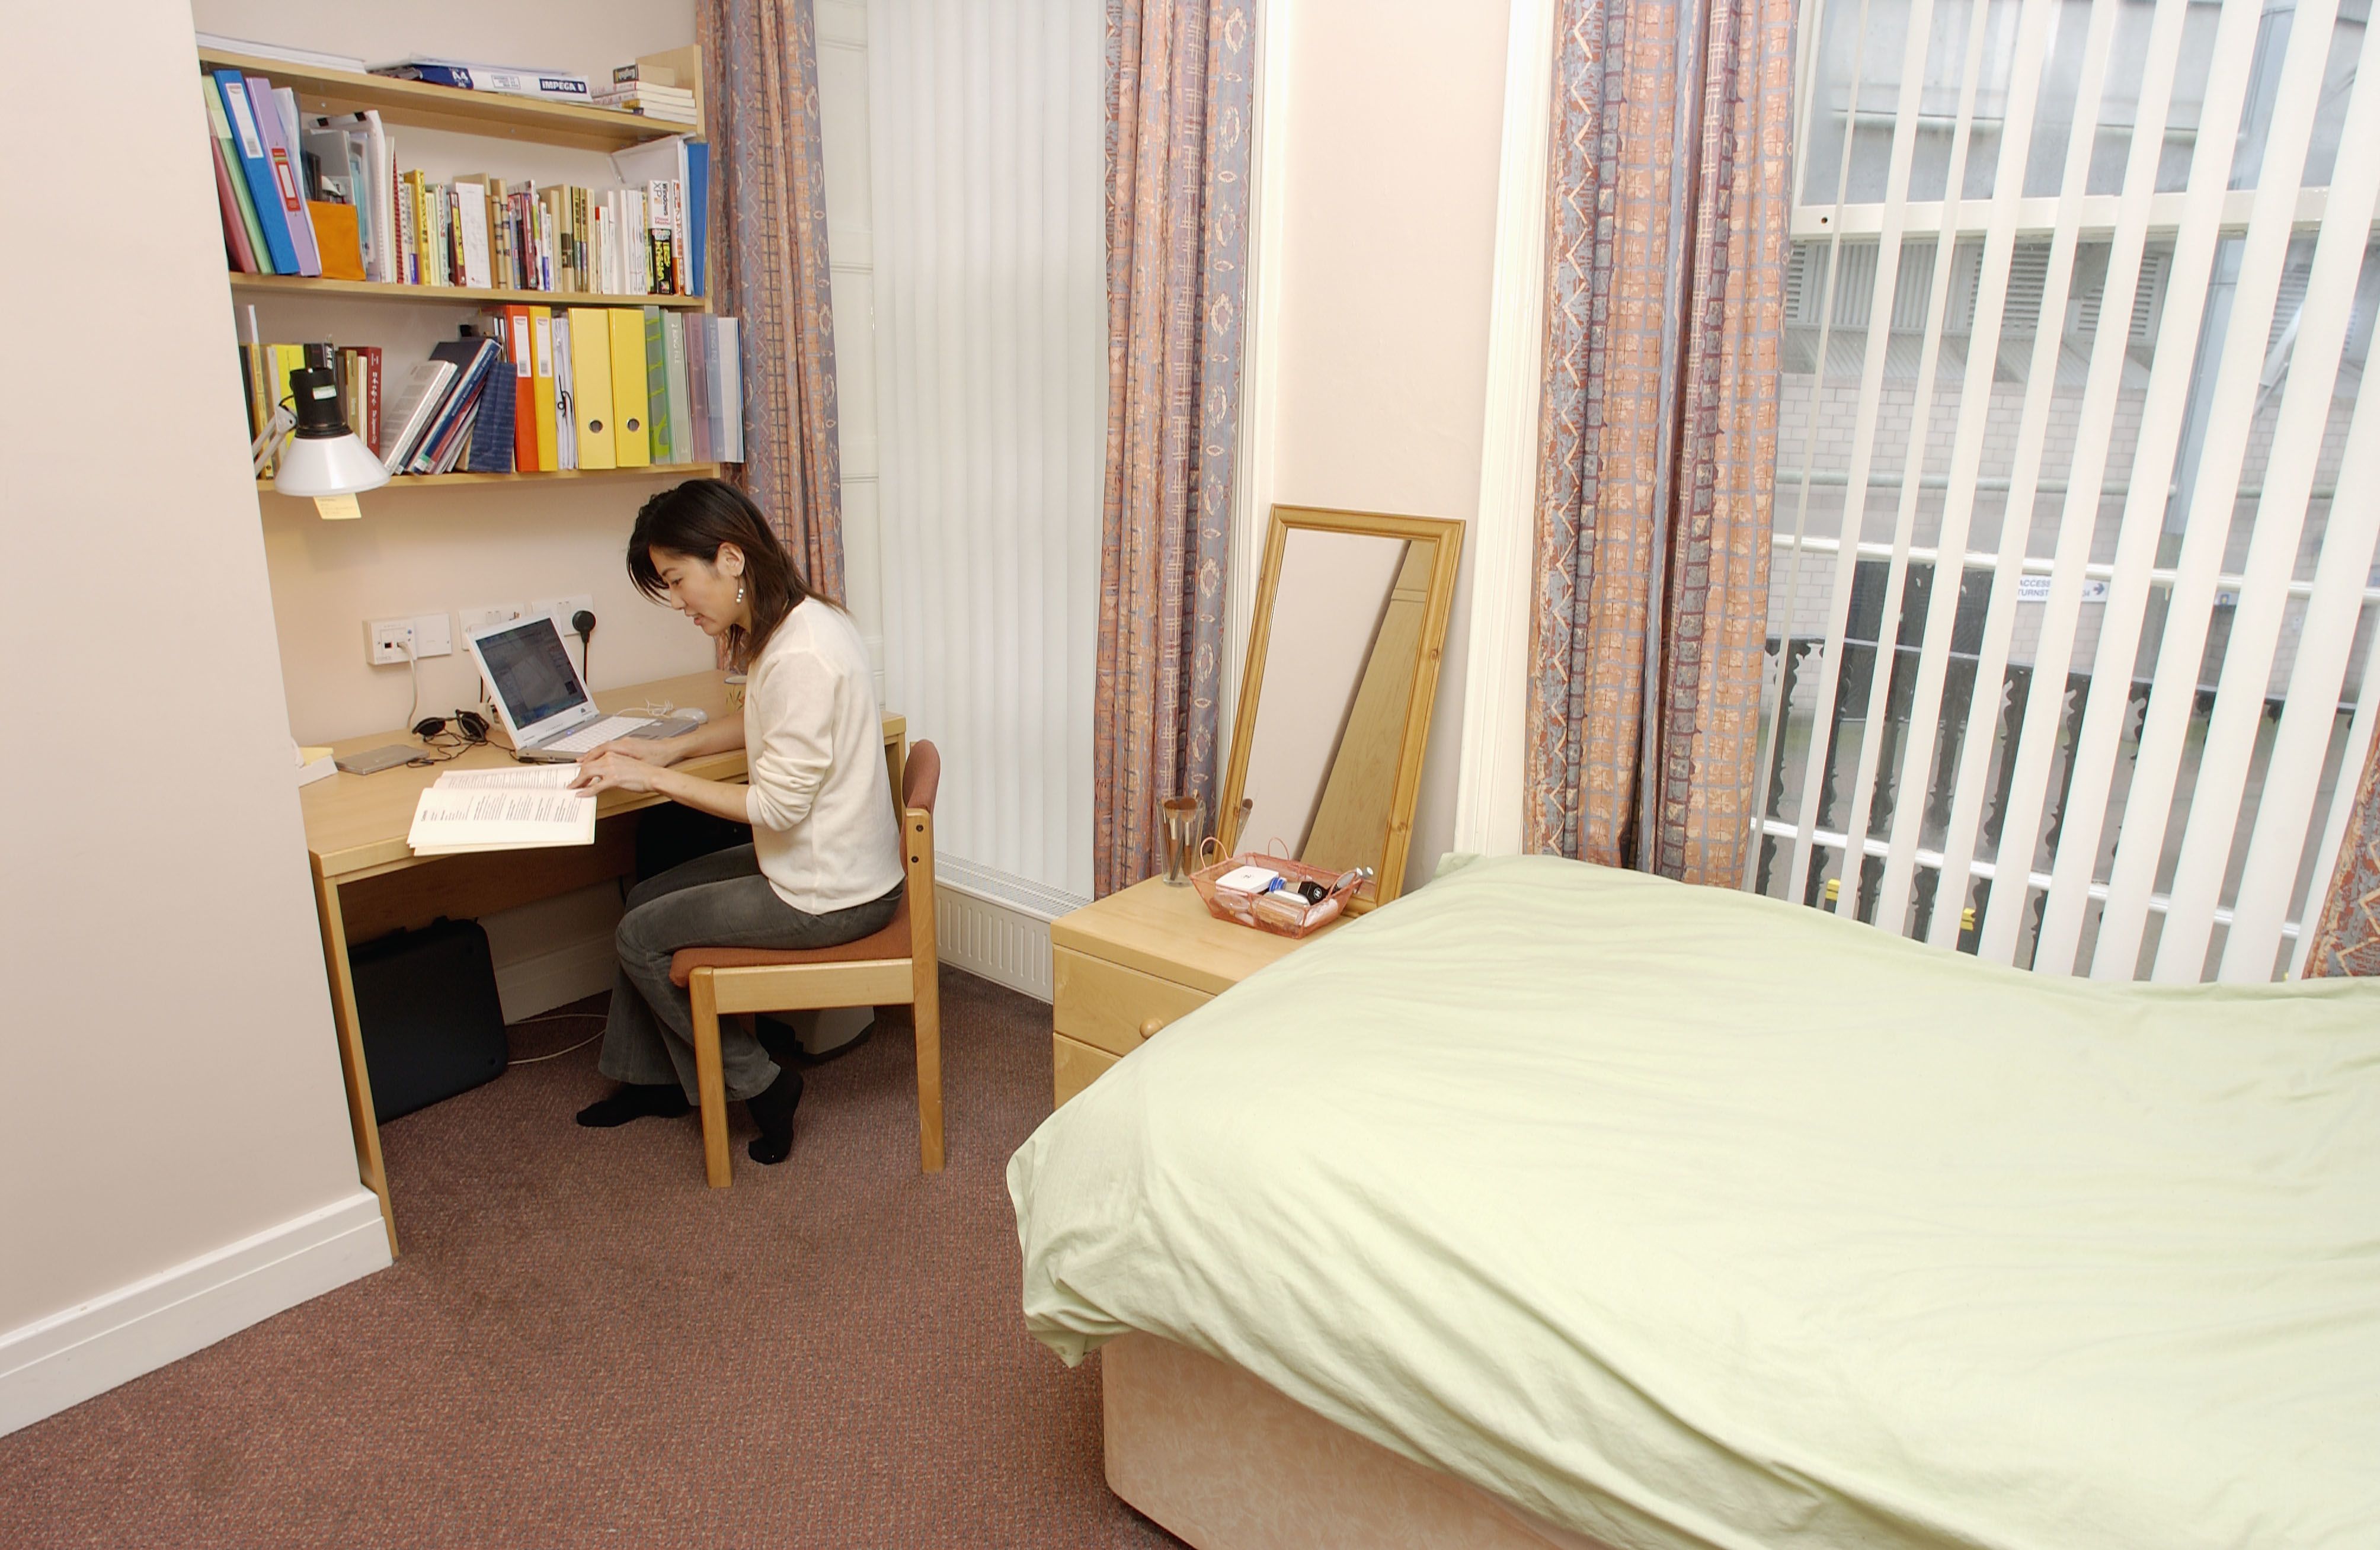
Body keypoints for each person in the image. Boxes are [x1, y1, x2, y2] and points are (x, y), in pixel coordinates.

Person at [569, 479, 903, 1165]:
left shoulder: (797, 655)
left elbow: (776, 806)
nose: (677, 603)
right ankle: (655, 1080)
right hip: (818, 863)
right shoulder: (800, 622)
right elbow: (764, 727)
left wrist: (653, 778)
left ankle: (764, 1084)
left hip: (826, 896)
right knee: (645, 898)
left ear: (728, 558)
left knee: (639, 934)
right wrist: (668, 747)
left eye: (676, 580)